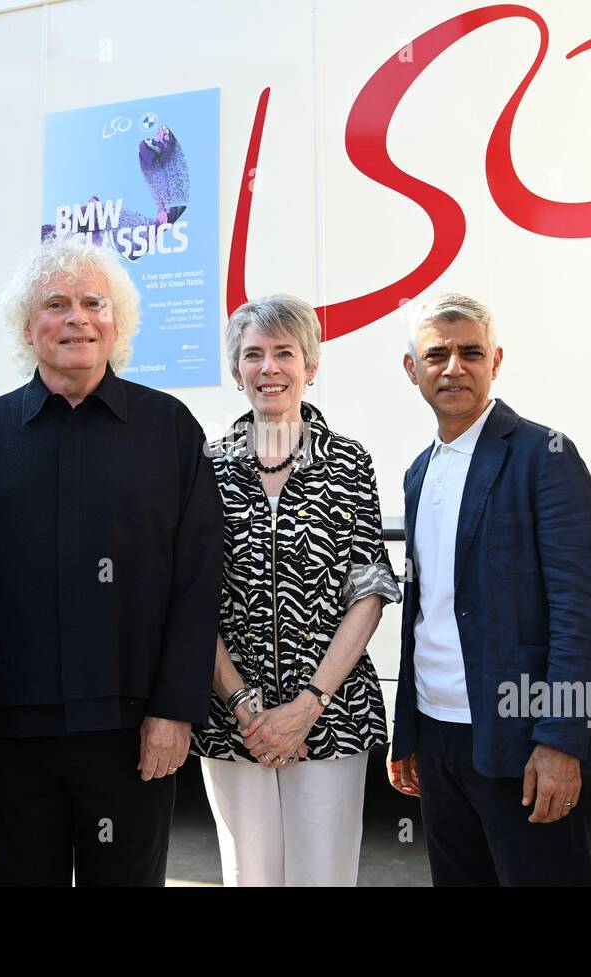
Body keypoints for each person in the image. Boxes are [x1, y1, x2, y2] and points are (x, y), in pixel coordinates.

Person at [0, 238, 222, 886]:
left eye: (93, 302)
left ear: (119, 323)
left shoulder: (170, 430)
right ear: (28, 328)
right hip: (10, 741)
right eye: (56, 304)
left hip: (134, 737)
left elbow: (197, 581)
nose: (77, 317)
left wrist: (175, 709)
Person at [388, 293, 591, 886]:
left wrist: (562, 740)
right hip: (437, 737)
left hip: (518, 733)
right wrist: (407, 732)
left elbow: (581, 615)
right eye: (436, 354)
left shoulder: (545, 456)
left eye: (471, 352)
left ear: (496, 361)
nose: (454, 367)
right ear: (411, 368)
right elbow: (423, 613)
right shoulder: (418, 471)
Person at [190, 294, 401, 886]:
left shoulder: (350, 462)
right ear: (237, 372)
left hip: (332, 713)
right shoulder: (205, 466)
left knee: (324, 875)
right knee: (248, 875)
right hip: (235, 717)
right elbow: (191, 598)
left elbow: (370, 590)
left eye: (285, 352)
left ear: (311, 365)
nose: (269, 368)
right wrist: (242, 704)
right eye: (253, 355)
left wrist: (309, 703)